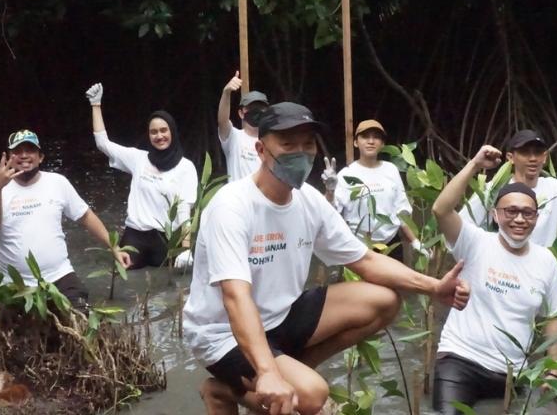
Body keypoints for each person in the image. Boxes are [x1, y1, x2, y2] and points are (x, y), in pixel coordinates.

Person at [183, 102, 470, 415]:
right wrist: (266, 371)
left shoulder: (309, 200)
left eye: (307, 144)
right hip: (222, 333)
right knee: (312, 396)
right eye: (288, 144)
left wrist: (433, 286)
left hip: (282, 315)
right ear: (262, 149)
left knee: (384, 301)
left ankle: (281, 375)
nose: (300, 153)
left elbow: (365, 260)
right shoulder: (232, 206)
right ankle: (226, 391)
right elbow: (235, 297)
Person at [431, 145, 557, 413]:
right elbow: (441, 209)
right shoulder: (473, 242)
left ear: (536, 218)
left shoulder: (546, 260)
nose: (519, 219)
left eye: (527, 213)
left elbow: (553, 315)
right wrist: (475, 165)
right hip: (460, 361)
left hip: (512, 373)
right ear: (495, 215)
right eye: (510, 212)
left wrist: (554, 372)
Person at [0, 129, 128, 309]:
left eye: (30, 150)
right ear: (9, 157)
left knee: (82, 319)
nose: (24, 155)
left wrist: (114, 247)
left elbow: (85, 216)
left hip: (60, 276)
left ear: (41, 157)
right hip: (15, 284)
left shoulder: (57, 182)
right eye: (17, 152)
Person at [86, 83, 199, 270]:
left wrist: (186, 248)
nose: (159, 136)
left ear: (172, 131)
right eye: (153, 132)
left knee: (172, 282)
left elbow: (184, 211)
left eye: (164, 130)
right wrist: (96, 105)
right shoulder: (138, 159)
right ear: (148, 135)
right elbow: (102, 143)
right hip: (135, 236)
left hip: (166, 238)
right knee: (122, 273)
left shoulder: (186, 167)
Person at [460, 122, 557, 247]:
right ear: (510, 157)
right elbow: (461, 226)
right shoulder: (492, 190)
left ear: (544, 157)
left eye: (537, 153)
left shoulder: (555, 190)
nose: (532, 158)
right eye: (525, 152)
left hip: (537, 271)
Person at [322, 119, 430, 262]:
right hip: (359, 246)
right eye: (365, 136)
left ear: (383, 144)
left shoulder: (391, 170)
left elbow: (400, 211)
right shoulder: (346, 175)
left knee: (394, 284)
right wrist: (330, 191)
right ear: (356, 142)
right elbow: (331, 212)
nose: (371, 141)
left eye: (376, 137)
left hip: (391, 245)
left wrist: (415, 242)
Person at [217, 71, 269, 180]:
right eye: (252, 108)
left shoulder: (271, 141)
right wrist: (226, 93)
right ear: (241, 113)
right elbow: (222, 121)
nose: (257, 111)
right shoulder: (233, 137)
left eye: (261, 108)